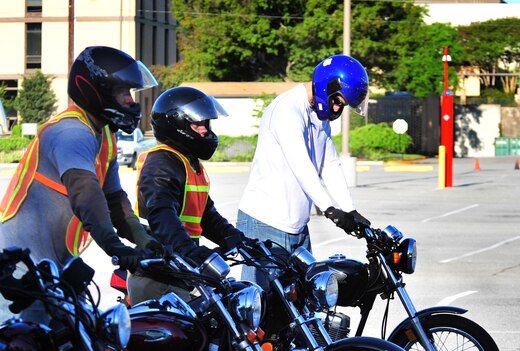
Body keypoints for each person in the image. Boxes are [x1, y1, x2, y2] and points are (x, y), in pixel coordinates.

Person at [0, 46, 159, 320]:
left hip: (54, 267)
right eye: (124, 93)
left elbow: (113, 198)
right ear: (97, 91)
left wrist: (142, 238)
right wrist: (115, 246)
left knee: (86, 345)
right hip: (16, 268)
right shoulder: (71, 132)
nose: (131, 102)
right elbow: (85, 193)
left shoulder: (104, 136)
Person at [236, 54, 371, 285]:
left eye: (343, 105)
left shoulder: (319, 116)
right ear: (326, 85)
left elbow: (330, 164)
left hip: (297, 226)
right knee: (260, 309)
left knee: (302, 307)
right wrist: (329, 209)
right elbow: (301, 166)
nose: (338, 109)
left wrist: (350, 210)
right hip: (264, 225)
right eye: (337, 101)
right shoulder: (287, 111)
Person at [127, 86, 248, 304]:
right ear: (176, 124)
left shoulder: (189, 163)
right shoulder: (162, 162)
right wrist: (188, 250)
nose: (205, 131)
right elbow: (161, 214)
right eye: (198, 124)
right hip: (160, 271)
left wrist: (237, 239)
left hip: (182, 266)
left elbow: (206, 215)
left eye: (206, 124)